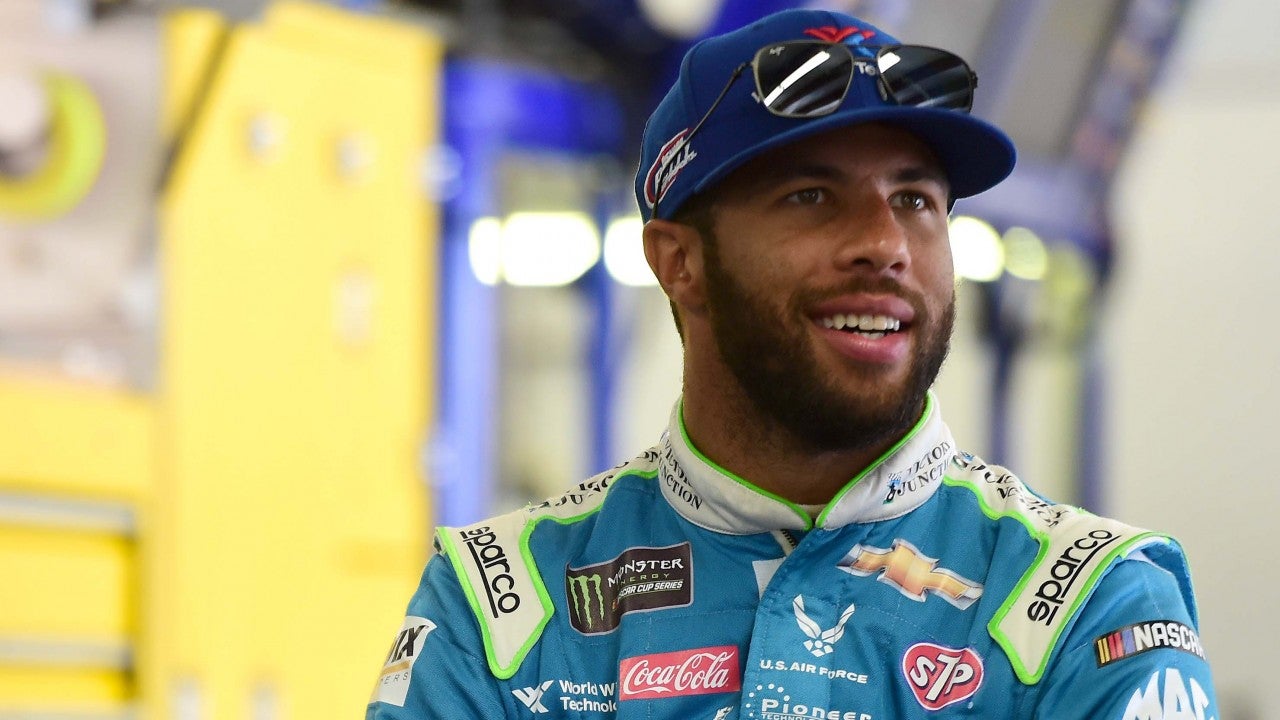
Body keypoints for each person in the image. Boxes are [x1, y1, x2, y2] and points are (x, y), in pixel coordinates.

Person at [367, 8, 1217, 719]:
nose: (885, 244)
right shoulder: (502, 602)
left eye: (915, 199)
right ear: (678, 262)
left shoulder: (1090, 603)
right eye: (811, 196)